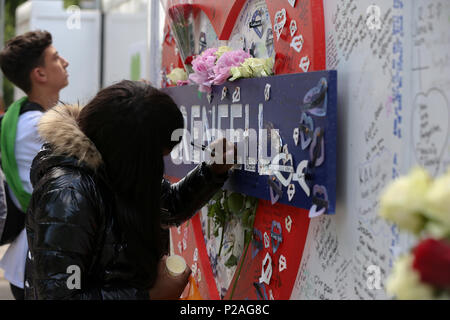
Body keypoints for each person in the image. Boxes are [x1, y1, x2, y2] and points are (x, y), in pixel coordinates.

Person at [24, 80, 233, 299]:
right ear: (132, 154)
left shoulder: (114, 164)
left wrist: (211, 171)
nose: (157, 167)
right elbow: (60, 295)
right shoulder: (69, 194)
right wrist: (145, 296)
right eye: (155, 158)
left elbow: (166, 205)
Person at [0, 30, 69, 300]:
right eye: (55, 57)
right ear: (39, 74)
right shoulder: (37, 126)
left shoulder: (22, 117)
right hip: (43, 261)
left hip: (31, 257)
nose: (65, 62)